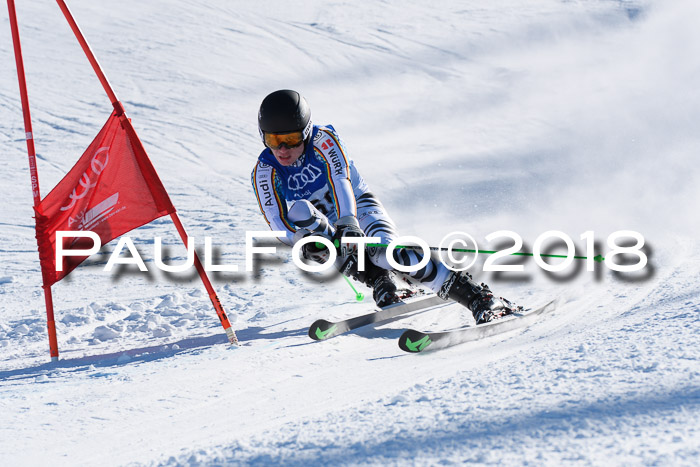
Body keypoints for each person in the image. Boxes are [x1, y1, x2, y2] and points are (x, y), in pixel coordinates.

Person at [251, 89, 514, 324]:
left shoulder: (324, 141)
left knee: (388, 253)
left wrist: (348, 222)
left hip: (357, 206)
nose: (282, 149)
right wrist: (300, 240)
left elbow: (340, 179)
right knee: (306, 229)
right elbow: (276, 221)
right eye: (274, 140)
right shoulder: (265, 171)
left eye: (292, 138)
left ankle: (477, 296)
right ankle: (379, 279)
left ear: (306, 132)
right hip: (328, 221)